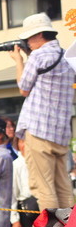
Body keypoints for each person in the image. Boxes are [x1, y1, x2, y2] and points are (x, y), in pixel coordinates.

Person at [10, 12, 75, 210]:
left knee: (44, 188)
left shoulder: (38, 56)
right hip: (60, 134)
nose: (27, 43)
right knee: (63, 187)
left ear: (39, 35)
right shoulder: (67, 59)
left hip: (39, 131)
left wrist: (19, 61)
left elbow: (23, 87)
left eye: (28, 38)